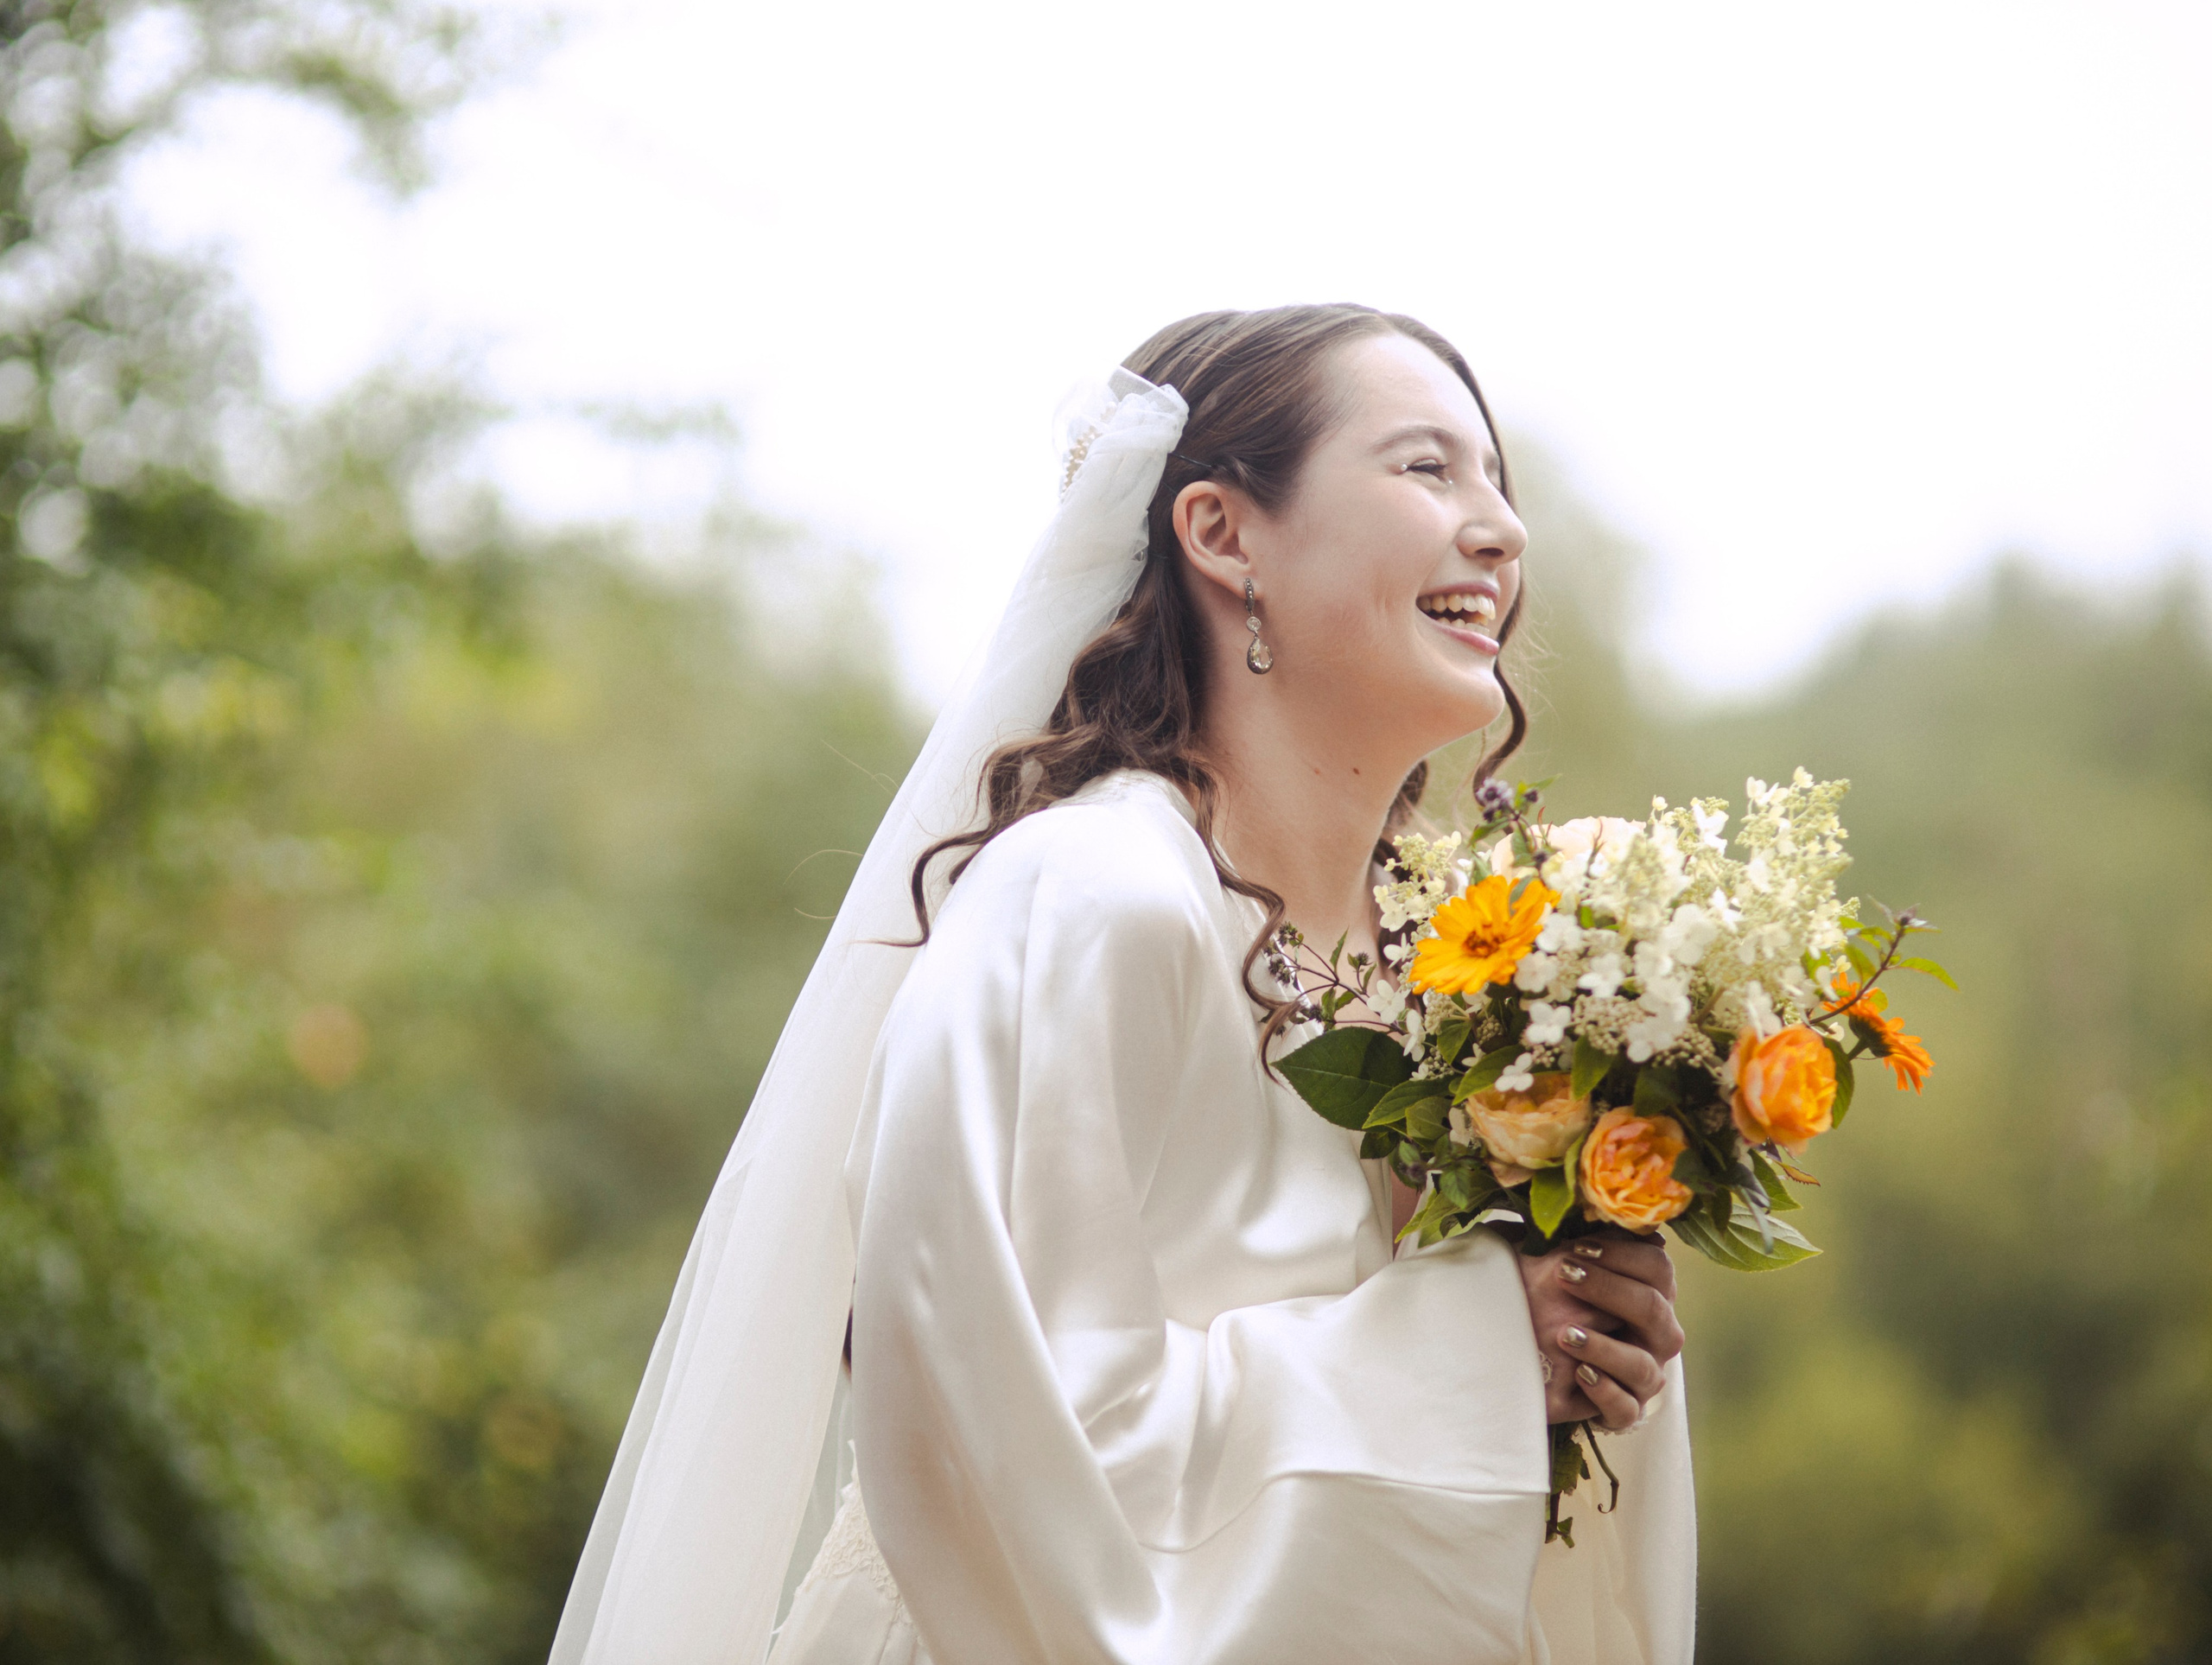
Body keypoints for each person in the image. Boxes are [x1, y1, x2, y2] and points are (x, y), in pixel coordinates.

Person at [550, 306, 1694, 1665]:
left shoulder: (1467, 971)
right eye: (1425, 469)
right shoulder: (1088, 900)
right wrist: (1477, 1349)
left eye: (1495, 478)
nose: (1499, 529)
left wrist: (1582, 1349)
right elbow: (1018, 1442)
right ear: (1221, 534)